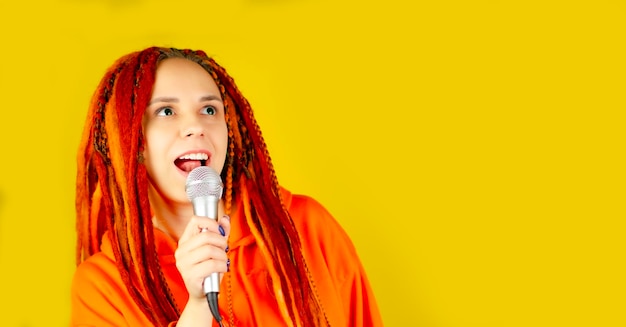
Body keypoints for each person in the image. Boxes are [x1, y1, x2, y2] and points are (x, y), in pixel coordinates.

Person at [70, 46, 383, 327]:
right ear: (129, 140)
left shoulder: (306, 228)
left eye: (209, 110)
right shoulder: (104, 285)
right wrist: (196, 307)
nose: (195, 126)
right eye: (166, 111)